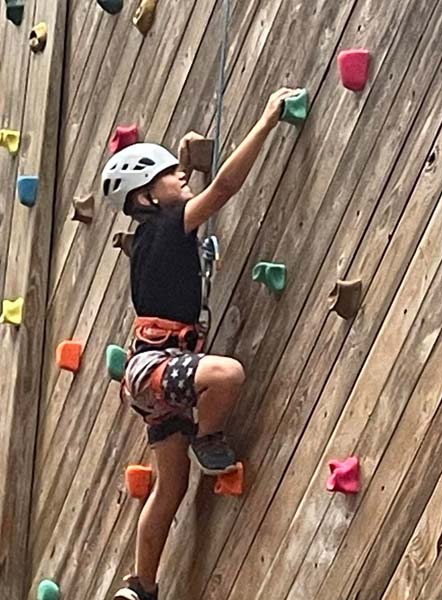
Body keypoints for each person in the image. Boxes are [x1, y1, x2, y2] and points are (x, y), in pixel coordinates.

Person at [101, 87, 300, 600]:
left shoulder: (149, 237)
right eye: (171, 175)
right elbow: (227, 187)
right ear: (148, 197)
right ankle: (208, 439)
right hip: (159, 364)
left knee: (172, 487)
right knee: (228, 374)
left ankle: (141, 588)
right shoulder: (169, 223)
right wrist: (266, 120)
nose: (182, 178)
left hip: (150, 376)